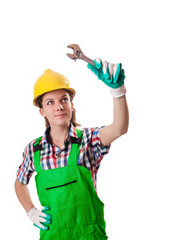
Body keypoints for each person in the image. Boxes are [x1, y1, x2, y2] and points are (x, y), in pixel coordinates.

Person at [14, 59, 129, 239]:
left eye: (64, 100)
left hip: (89, 235)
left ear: (72, 105)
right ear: (42, 112)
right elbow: (20, 183)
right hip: (53, 235)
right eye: (50, 102)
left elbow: (119, 129)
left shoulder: (88, 140)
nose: (59, 106)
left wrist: (118, 91)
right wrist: (31, 211)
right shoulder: (34, 150)